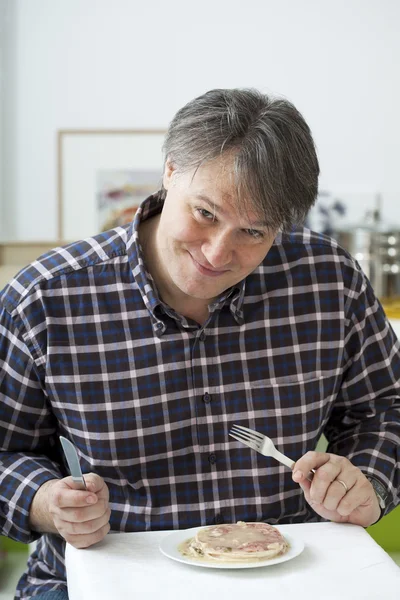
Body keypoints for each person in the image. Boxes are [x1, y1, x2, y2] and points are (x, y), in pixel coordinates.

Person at [1, 88, 399, 599]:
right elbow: (7, 450)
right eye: (206, 214)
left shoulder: (329, 282)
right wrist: (45, 500)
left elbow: (383, 409)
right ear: (170, 172)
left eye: (253, 232)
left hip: (287, 575)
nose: (217, 253)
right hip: (104, 574)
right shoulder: (45, 299)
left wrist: (365, 478)